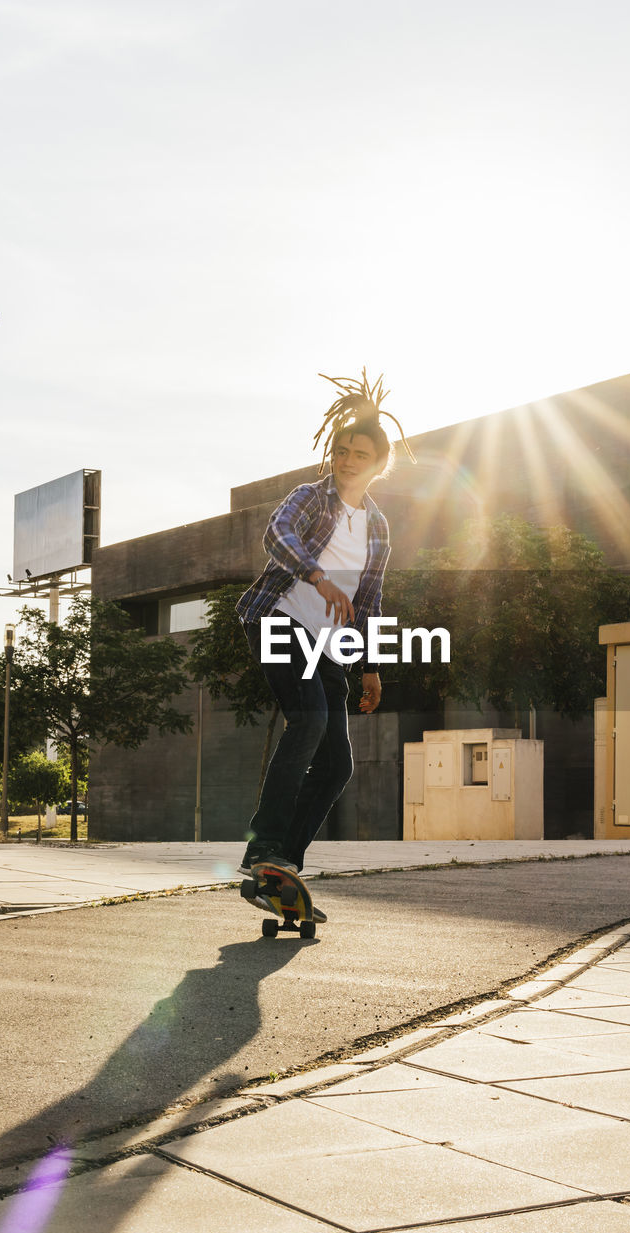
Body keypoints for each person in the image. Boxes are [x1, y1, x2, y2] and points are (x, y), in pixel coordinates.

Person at [236, 370, 414, 917]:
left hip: (329, 646)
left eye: (360, 453)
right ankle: (263, 844)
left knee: (338, 765)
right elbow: (277, 535)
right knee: (308, 720)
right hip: (277, 621)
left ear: (379, 463)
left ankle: (280, 866)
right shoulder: (310, 498)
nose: (348, 460)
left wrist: (371, 667)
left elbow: (372, 600)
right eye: (342, 450)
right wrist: (317, 577)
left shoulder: (378, 528)